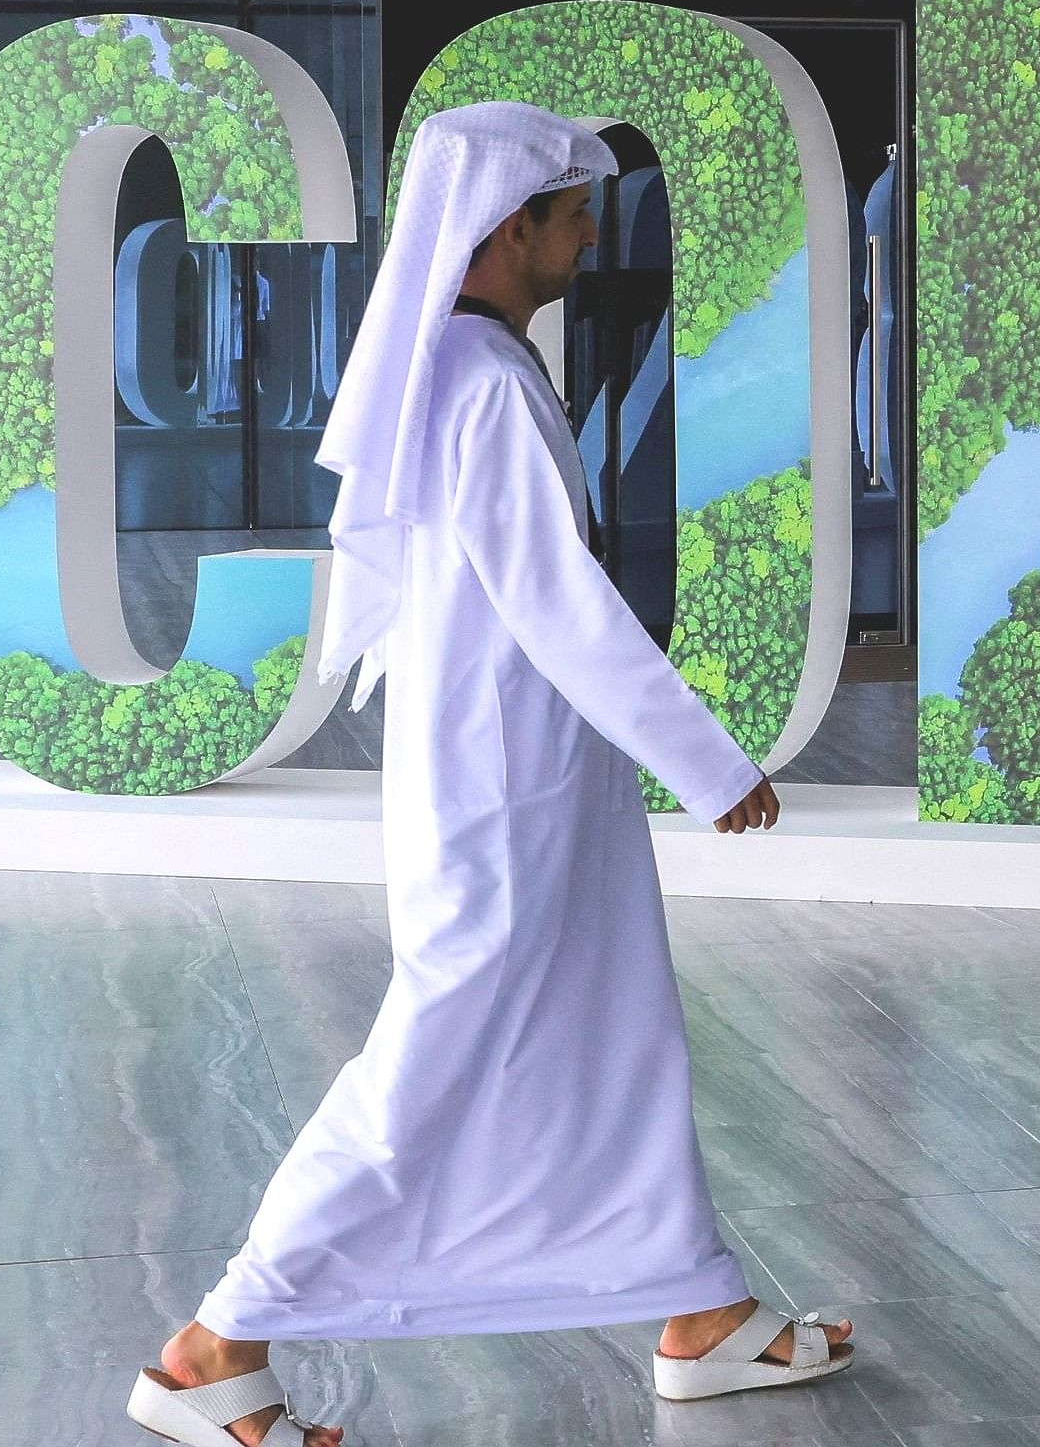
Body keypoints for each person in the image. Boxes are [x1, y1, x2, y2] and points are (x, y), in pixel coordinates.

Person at [127, 103, 853, 1447]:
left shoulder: (470, 368)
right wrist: (706, 760)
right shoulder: (478, 381)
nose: (588, 238)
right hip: (505, 791)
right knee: (431, 1062)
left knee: (617, 1032)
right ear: (506, 225)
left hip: (530, 779)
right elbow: (559, 602)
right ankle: (216, 1342)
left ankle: (697, 1309)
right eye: (574, 215)